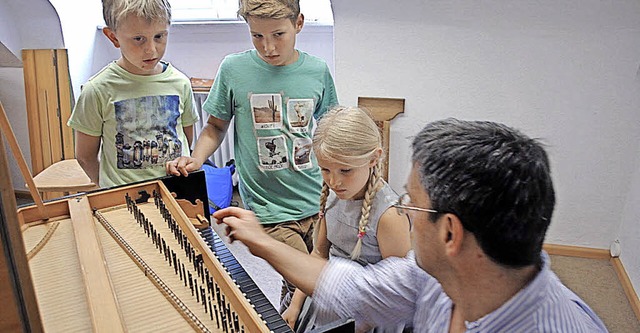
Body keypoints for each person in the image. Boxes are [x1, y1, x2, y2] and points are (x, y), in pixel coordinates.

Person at [213, 118, 608, 332]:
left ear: (450, 233)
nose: (403, 212)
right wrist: (260, 241)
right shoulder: (432, 276)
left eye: (412, 205)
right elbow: (350, 286)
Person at [166, 0, 338, 312]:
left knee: (324, 276)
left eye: (278, 34)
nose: (268, 47)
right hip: (268, 206)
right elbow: (215, 127)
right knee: (300, 281)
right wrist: (195, 158)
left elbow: (330, 131)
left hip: (316, 198)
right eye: (257, 36)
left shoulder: (318, 71)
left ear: (298, 23)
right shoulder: (234, 69)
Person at [281, 107, 411, 332]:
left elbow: (396, 294)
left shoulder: (389, 215)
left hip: (366, 319)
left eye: (345, 170)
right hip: (326, 302)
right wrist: (295, 305)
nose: (334, 181)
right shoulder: (334, 197)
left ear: (374, 158)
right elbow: (318, 254)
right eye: (325, 170)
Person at [67, 0, 199, 188]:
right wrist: (109, 188)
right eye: (138, 39)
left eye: (159, 36)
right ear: (113, 38)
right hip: (123, 197)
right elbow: (85, 157)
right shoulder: (97, 90)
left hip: (176, 191)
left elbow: (185, 138)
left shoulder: (180, 83)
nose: (151, 49)